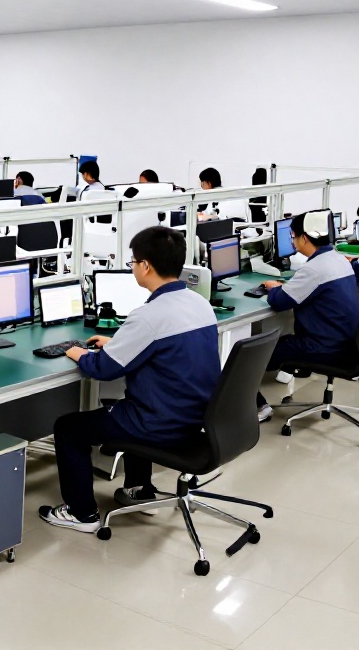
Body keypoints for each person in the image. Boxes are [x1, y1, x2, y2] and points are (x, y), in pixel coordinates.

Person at [39, 227, 220, 532]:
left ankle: (81, 513)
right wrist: (119, 343)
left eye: (133, 262)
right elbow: (166, 349)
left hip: (159, 422)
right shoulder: (200, 303)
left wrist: (76, 352)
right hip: (195, 417)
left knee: (68, 428)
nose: (133, 267)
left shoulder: (148, 315)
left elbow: (103, 369)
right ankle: (138, 489)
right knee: (127, 404)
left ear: (146, 266)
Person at [253, 212, 359, 421]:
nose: (292, 241)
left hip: (323, 346)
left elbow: (280, 302)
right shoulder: (338, 259)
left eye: (293, 236)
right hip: (345, 341)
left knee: (250, 354)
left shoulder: (314, 268)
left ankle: (257, 407)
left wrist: (274, 288)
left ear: (304, 238)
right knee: (281, 340)